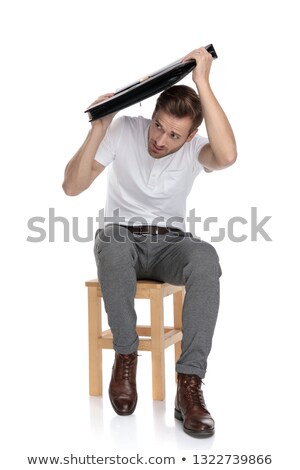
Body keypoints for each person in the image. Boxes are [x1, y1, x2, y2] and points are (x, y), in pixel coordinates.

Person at [63, 47, 237, 438]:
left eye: (174, 134)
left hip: (170, 246)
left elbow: (226, 155)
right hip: (120, 240)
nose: (160, 139)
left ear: (191, 136)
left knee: (205, 257)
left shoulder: (195, 150)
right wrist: (98, 128)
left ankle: (189, 386)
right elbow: (72, 187)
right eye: (158, 126)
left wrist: (202, 81)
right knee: (112, 238)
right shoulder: (124, 130)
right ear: (152, 115)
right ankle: (126, 355)